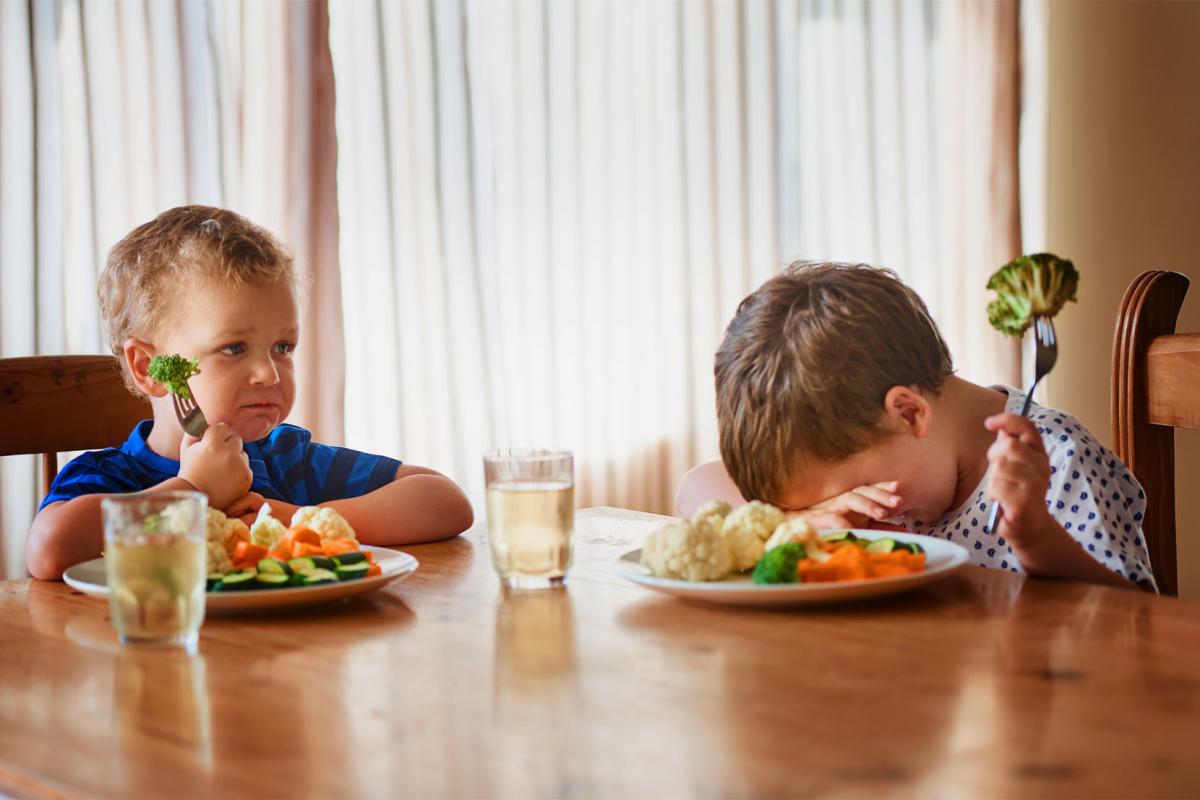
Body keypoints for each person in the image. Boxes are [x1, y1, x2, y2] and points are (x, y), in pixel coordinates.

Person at [27, 205, 473, 580]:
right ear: (151, 368)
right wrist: (192, 491)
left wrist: (297, 520)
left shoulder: (285, 460)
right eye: (234, 348)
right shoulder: (114, 478)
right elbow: (50, 550)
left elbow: (445, 501)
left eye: (283, 347)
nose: (268, 374)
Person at [677, 261, 1154, 591]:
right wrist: (795, 521)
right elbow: (695, 488)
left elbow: (1136, 623)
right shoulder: (873, 446)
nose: (857, 512)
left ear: (909, 413)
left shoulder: (1055, 465)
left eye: (858, 490)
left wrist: (1035, 538)